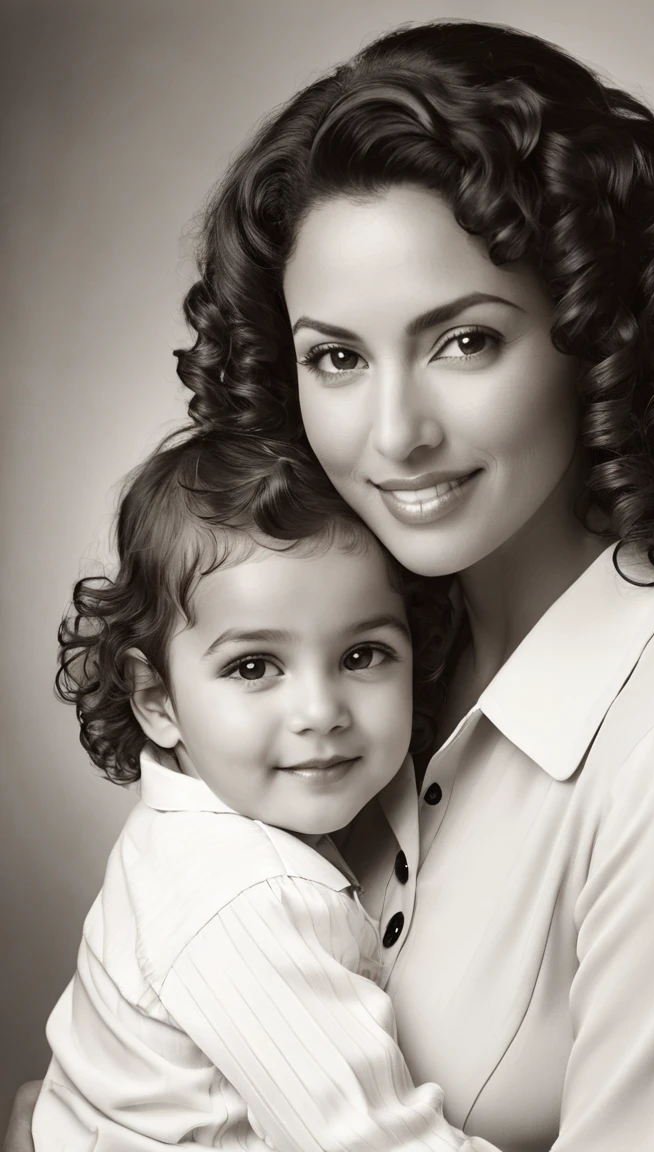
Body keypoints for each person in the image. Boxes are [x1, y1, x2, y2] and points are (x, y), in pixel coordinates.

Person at [7, 19, 654, 1152]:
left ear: (595, 336)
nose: (395, 434)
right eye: (337, 357)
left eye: (462, 342)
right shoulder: (353, 659)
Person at [30, 428, 496, 1151]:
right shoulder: (247, 899)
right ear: (155, 699)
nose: (320, 712)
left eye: (363, 655)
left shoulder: (194, 829)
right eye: (254, 667)